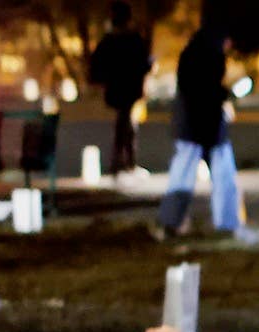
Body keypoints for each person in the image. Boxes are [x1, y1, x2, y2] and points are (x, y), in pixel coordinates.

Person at [155, 24, 244, 240]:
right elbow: (209, 90)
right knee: (223, 177)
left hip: (190, 125)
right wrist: (225, 95)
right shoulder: (211, 57)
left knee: (182, 176)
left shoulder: (192, 54)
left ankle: (171, 223)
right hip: (205, 124)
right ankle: (227, 223)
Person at [87, 2, 152, 176]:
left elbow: (97, 64)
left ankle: (122, 161)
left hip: (118, 87)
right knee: (126, 121)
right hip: (128, 87)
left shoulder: (110, 40)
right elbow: (144, 63)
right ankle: (125, 161)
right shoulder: (133, 39)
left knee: (124, 121)